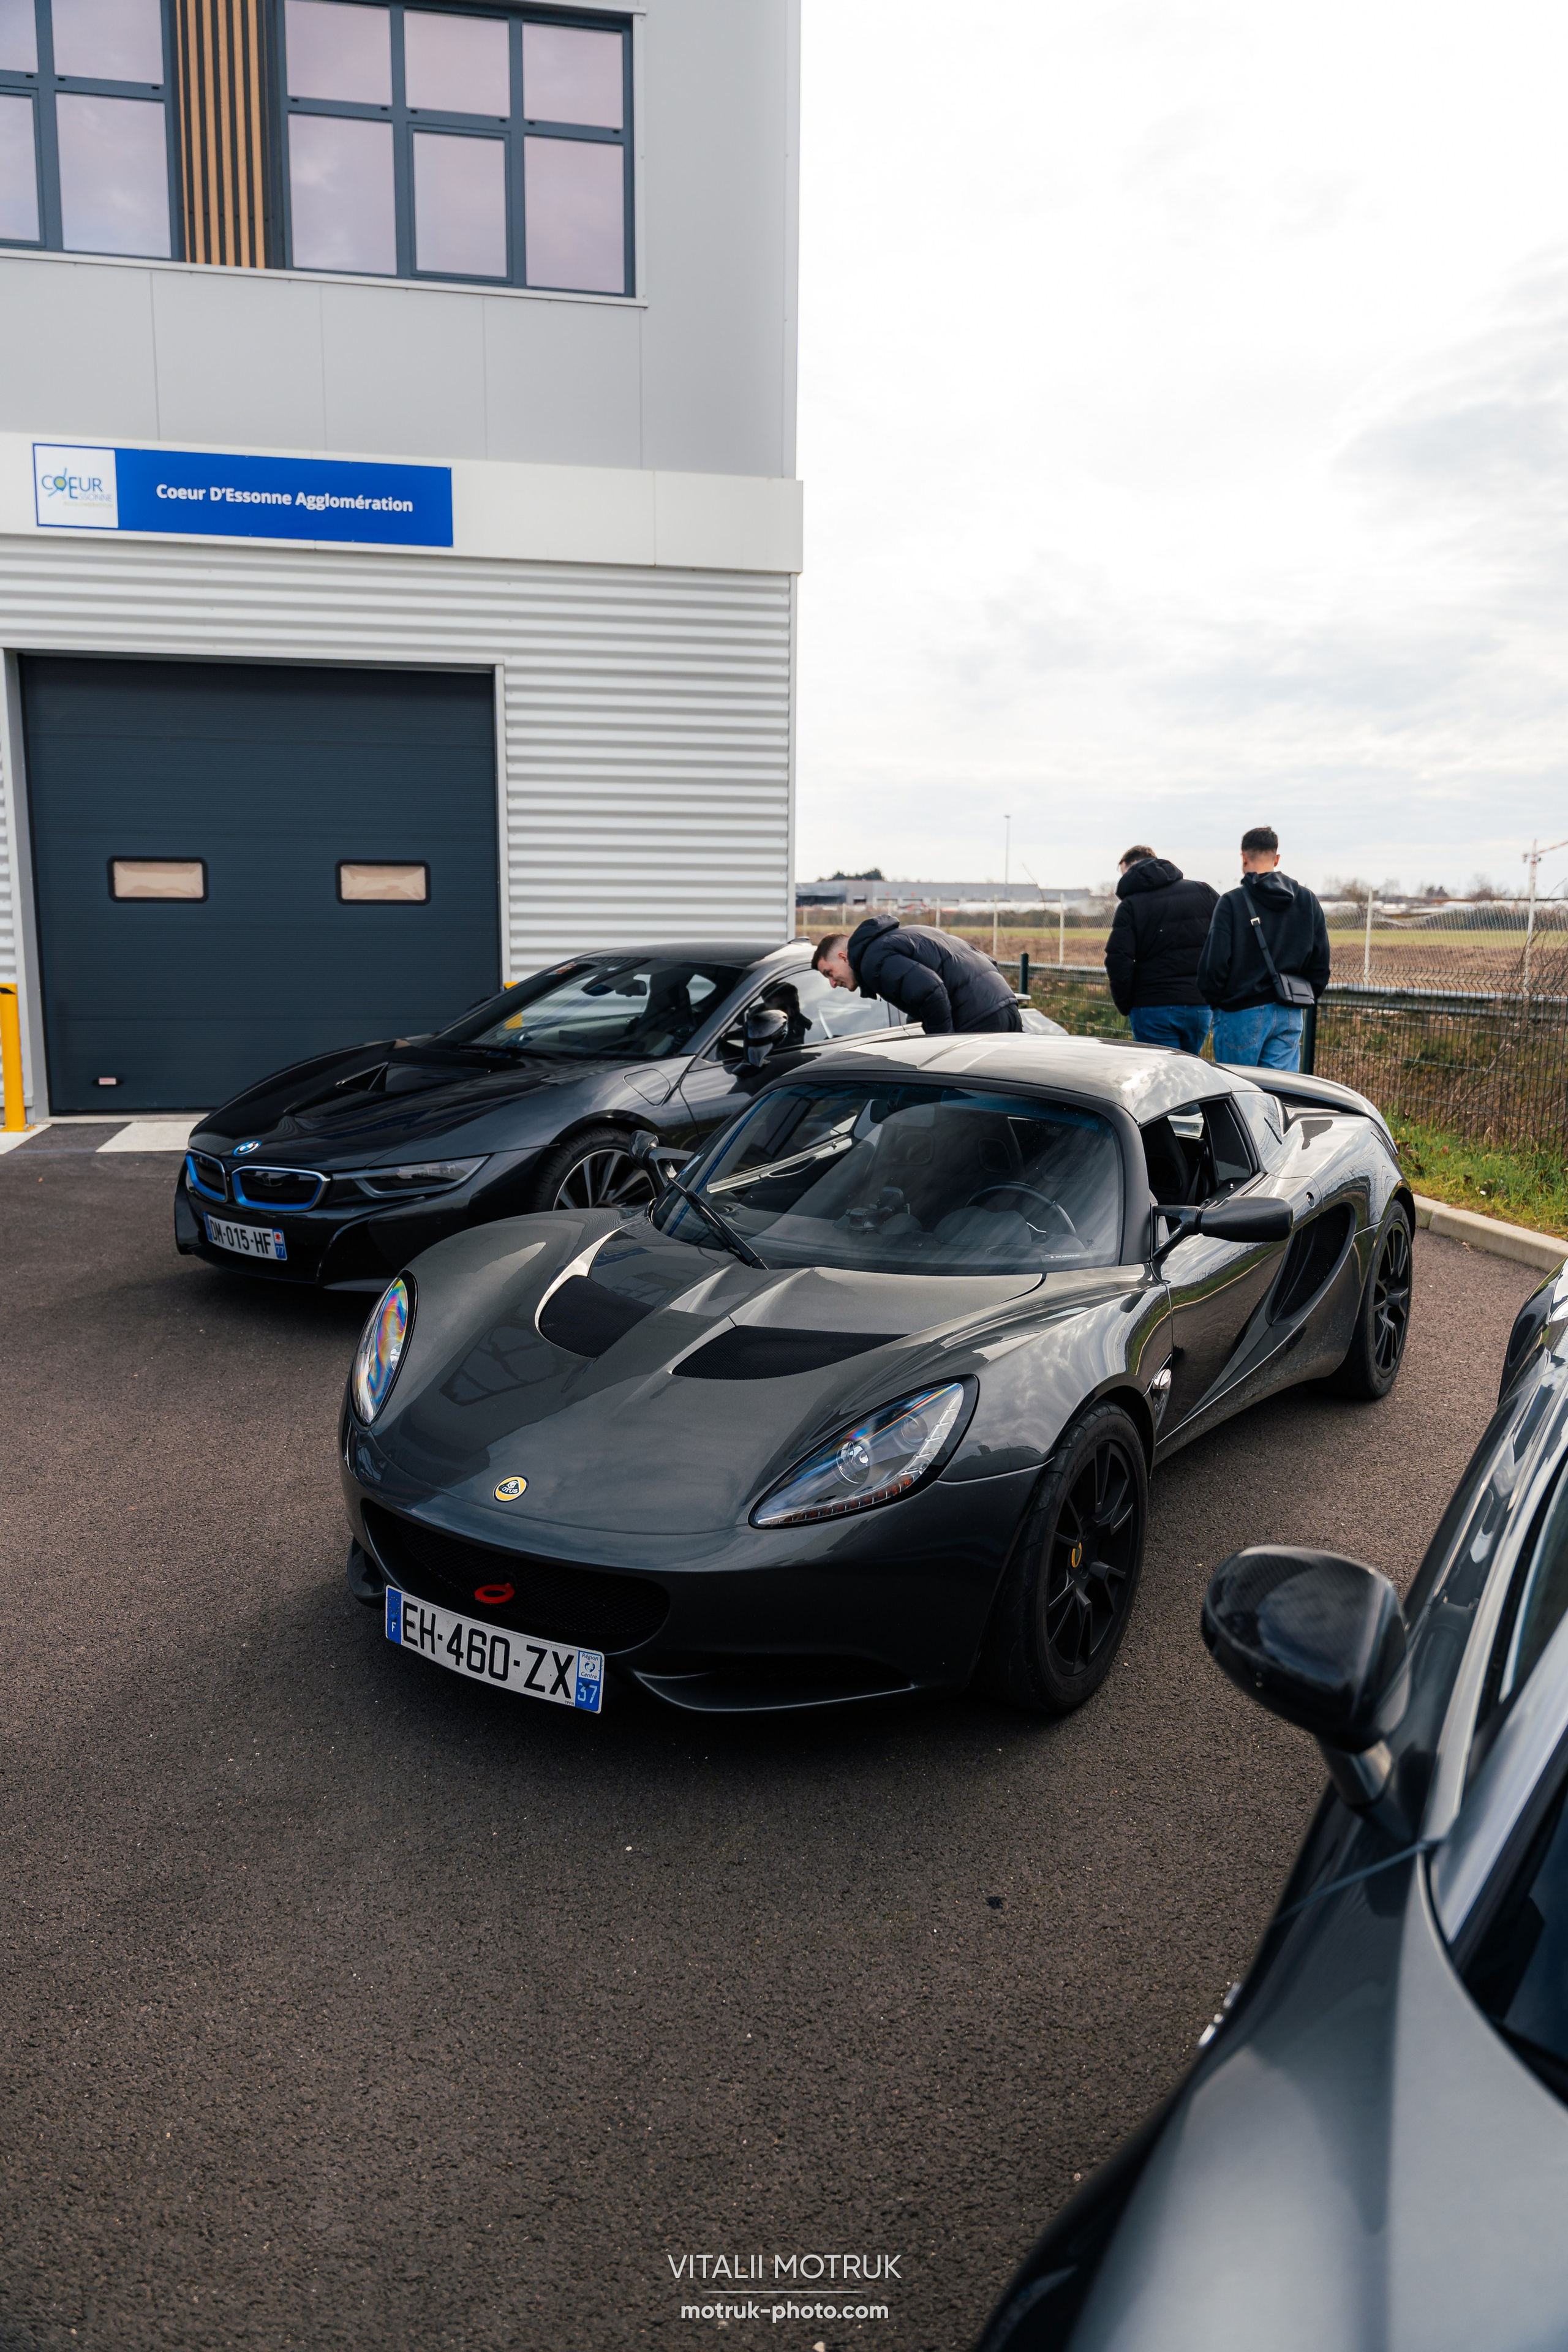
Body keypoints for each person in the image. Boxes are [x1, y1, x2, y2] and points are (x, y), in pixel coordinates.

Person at [1197, 826, 1330, 1071]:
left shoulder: (1232, 902)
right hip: (1290, 1011)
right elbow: (1321, 964)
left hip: (1240, 1011)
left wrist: (1219, 1002)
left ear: (1244, 858)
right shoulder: (1307, 901)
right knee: (1279, 1096)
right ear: (1276, 858)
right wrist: (1303, 997)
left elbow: (1214, 964)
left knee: (1239, 1095)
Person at [813, 915, 1023, 1034]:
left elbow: (931, 990)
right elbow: (984, 960)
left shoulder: (873, 961)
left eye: (829, 973)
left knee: (964, 1106)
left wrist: (937, 1045)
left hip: (979, 1019)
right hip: (1006, 1008)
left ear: (843, 958)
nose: (832, 983)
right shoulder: (901, 936)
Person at [1103, 845, 1218, 1054]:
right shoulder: (1204, 892)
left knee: (1161, 1078)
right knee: (1190, 1074)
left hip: (1152, 1005)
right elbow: (1225, 942)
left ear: (1133, 867)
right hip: (1199, 1005)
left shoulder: (1131, 905)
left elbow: (1118, 960)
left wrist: (1126, 1003)